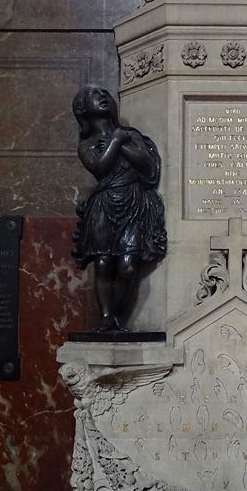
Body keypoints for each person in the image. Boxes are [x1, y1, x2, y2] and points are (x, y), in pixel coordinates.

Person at [71, 85, 166, 332]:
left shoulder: (130, 136)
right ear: (83, 109)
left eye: (105, 94)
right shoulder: (87, 144)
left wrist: (122, 140)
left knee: (128, 264)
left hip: (133, 203)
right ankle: (106, 317)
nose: (102, 96)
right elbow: (100, 167)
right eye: (94, 95)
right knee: (103, 262)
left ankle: (117, 315)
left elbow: (147, 164)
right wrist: (115, 140)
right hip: (104, 206)